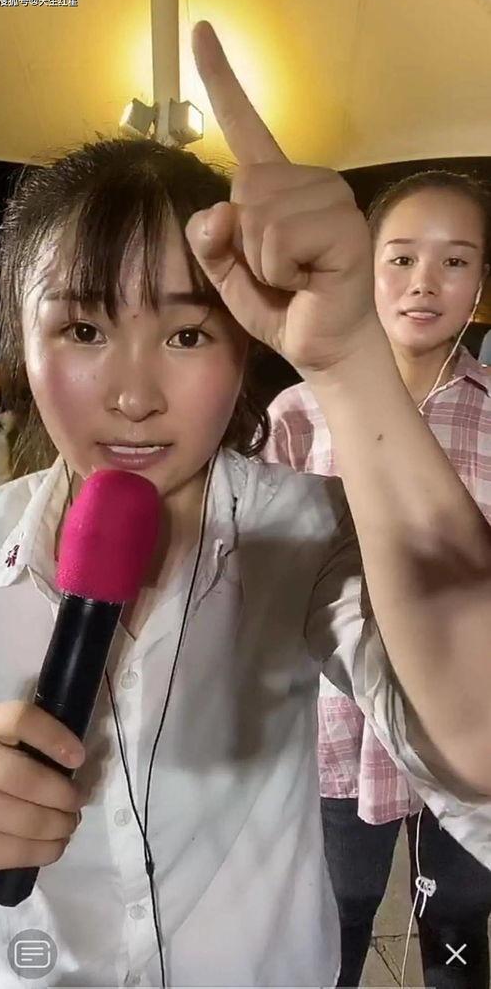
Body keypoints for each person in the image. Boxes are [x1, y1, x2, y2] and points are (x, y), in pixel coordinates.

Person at [0, 22, 491, 988]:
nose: (133, 396)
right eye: (84, 328)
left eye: (187, 335)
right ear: (21, 336)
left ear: (243, 347)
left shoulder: (308, 533)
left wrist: (349, 356)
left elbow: (480, 743)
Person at [263, 169, 491, 987]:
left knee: (458, 927)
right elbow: (265, 591)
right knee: (338, 916)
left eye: (455, 261)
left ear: (480, 283)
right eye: (400, 258)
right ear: (362, 266)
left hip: (468, 738)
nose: (424, 281)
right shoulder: (296, 415)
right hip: (333, 731)